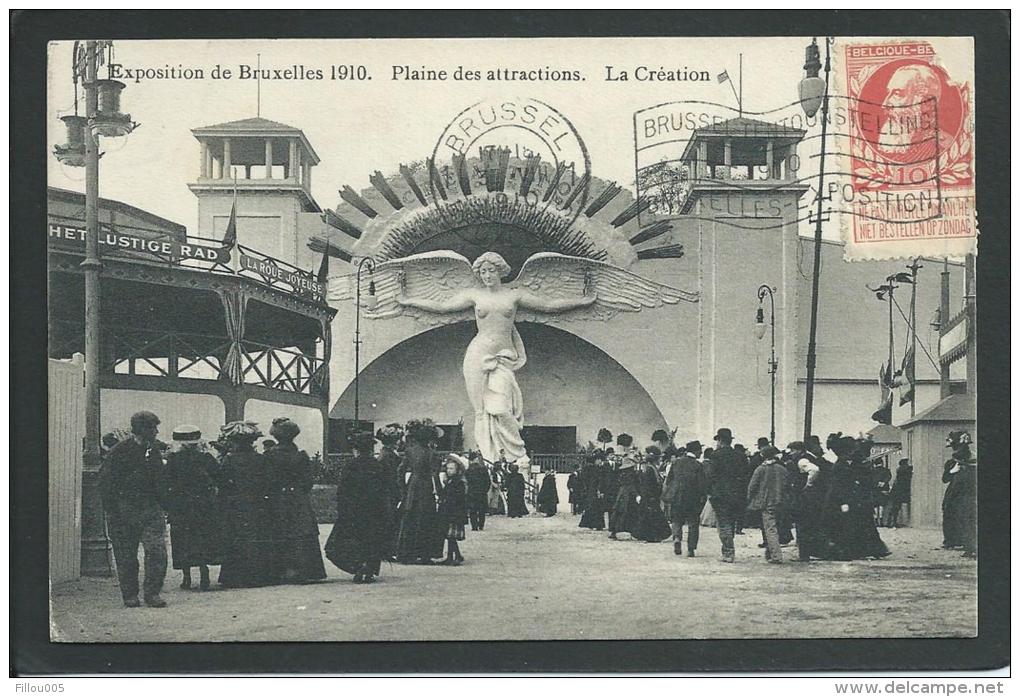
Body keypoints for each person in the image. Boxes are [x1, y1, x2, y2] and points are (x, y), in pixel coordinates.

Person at [99, 411, 169, 608]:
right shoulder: (119, 452)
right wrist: (113, 511)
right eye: (153, 428)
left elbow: (160, 480)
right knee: (126, 556)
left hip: (150, 510)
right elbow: (106, 483)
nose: (156, 431)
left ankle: (152, 593)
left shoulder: (153, 450)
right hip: (124, 511)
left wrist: (164, 504)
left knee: (157, 552)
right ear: (142, 430)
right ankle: (130, 595)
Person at [324, 431, 393, 583]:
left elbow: (343, 490)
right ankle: (369, 568)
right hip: (375, 510)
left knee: (349, 541)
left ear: (356, 449)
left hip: (354, 509)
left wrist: (343, 509)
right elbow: (386, 488)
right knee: (371, 540)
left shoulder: (351, 465)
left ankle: (357, 565)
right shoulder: (378, 465)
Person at [216, 421, 278, 587]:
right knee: (257, 536)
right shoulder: (260, 459)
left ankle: (235, 577)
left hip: (236, 503)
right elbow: (269, 482)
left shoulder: (229, 460)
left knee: (237, 537)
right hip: (258, 503)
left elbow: (222, 482)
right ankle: (259, 575)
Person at [265, 418, 326, 584]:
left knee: (278, 530)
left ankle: (281, 570)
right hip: (298, 499)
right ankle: (303, 570)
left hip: (277, 499)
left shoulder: (270, 455)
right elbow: (308, 482)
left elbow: (267, 480)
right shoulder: (301, 456)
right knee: (301, 532)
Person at [163, 425, 222, 591]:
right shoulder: (206, 459)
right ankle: (204, 575)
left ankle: (187, 577)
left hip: (181, 506)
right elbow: (219, 477)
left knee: (183, 540)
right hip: (204, 505)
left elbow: (166, 482)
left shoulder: (173, 460)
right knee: (202, 539)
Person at [823, 436, 890, 561]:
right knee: (857, 524)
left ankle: (853, 551)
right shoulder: (849, 463)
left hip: (846, 498)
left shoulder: (845, 463)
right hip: (850, 498)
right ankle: (866, 550)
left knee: (849, 525)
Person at [395, 419, 444, 564]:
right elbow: (435, 475)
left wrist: (404, 489)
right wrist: (440, 493)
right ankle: (424, 554)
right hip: (425, 486)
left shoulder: (410, 451)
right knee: (425, 519)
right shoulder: (431, 453)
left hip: (412, 486)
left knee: (410, 518)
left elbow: (400, 470)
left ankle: (406, 554)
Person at [746, 445, 792, 564]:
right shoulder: (782, 469)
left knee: (770, 529)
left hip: (766, 502)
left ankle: (776, 556)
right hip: (781, 502)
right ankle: (770, 553)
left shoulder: (760, 469)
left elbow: (752, 487)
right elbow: (788, 485)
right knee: (776, 527)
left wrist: (749, 499)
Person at [707, 428, 746, 562]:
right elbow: (745, 475)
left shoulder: (715, 455)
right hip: (737, 495)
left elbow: (710, 475)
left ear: (720, 440)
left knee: (723, 524)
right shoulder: (740, 455)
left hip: (720, 495)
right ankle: (729, 548)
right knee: (731, 522)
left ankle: (728, 552)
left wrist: (710, 492)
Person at [663, 440, 708, 557]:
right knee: (693, 523)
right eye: (700, 450)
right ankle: (691, 549)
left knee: (677, 520)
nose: (701, 453)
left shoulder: (676, 463)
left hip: (677, 497)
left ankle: (677, 538)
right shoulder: (698, 465)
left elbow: (669, 480)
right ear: (696, 451)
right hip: (692, 497)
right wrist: (703, 496)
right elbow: (702, 484)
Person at [785, 441, 825, 561]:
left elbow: (814, 470)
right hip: (812, 498)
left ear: (799, 450)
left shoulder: (802, 461)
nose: (791, 454)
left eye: (792, 451)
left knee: (802, 525)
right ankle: (811, 552)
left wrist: (808, 485)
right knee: (809, 525)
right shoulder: (810, 458)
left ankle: (804, 555)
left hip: (804, 498)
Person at [941, 432, 977, 557]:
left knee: (966, 518)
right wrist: (952, 471)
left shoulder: (973, 460)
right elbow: (945, 478)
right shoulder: (952, 462)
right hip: (956, 491)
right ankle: (952, 540)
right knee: (951, 513)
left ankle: (967, 545)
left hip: (967, 492)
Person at [376, 423, 405, 556]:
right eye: (398, 439)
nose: (400, 442)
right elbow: (389, 475)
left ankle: (390, 550)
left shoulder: (390, 453)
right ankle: (386, 551)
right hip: (388, 491)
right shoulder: (386, 455)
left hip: (391, 491)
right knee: (389, 520)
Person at [634, 447, 671, 542]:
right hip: (651, 496)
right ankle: (651, 536)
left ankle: (650, 535)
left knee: (651, 516)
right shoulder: (650, 469)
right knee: (652, 516)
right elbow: (648, 484)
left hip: (651, 496)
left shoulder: (651, 468)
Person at [438, 454, 469, 565]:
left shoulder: (459, 483)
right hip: (449, 512)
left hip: (455, 512)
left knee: (451, 536)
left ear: (457, 470)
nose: (449, 470)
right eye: (448, 468)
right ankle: (454, 556)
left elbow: (457, 498)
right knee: (449, 536)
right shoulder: (450, 481)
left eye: (451, 468)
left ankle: (454, 557)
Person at [608, 454, 641, 540]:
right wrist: (637, 494)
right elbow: (631, 486)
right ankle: (632, 533)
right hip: (628, 495)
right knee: (629, 513)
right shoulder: (631, 475)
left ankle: (614, 532)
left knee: (619, 513)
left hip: (621, 494)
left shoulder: (622, 474)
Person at [465, 452, 492, 531]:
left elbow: (467, 482)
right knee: (481, 510)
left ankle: (474, 526)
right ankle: (481, 525)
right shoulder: (483, 469)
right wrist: (485, 490)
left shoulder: (468, 471)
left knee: (473, 510)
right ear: (476, 459)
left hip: (472, 492)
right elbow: (488, 482)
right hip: (482, 492)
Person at [577, 455, 606, 530]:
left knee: (591, 507)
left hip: (591, 490)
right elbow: (597, 480)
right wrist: (599, 489)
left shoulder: (588, 468)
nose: (600, 461)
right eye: (599, 459)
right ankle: (597, 525)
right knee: (597, 508)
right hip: (594, 490)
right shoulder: (595, 469)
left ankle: (590, 524)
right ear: (596, 460)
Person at [885, 458, 913, 528]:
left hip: (897, 491)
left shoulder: (900, 469)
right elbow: (908, 469)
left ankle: (891, 522)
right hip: (899, 491)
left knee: (895, 508)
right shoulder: (902, 469)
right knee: (896, 508)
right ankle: (892, 522)